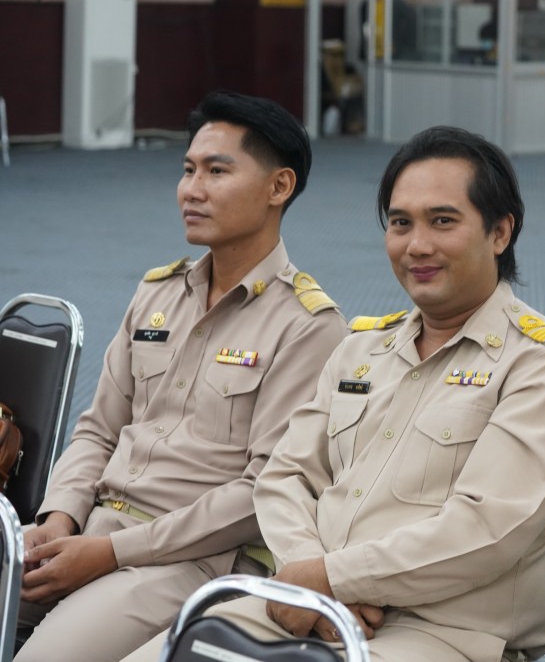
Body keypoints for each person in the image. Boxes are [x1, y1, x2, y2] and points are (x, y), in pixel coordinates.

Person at [125, 125, 545, 662]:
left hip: (442, 634)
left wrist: (332, 578)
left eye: (442, 221)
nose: (416, 245)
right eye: (400, 223)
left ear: (500, 233)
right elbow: (285, 476)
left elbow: (487, 530)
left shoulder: (544, 367)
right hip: (304, 602)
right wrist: (308, 578)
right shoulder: (362, 349)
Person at [15, 90, 348, 661]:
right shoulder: (157, 293)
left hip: (190, 560)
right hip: (91, 528)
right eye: (188, 170)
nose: (192, 189)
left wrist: (111, 552)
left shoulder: (307, 326)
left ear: (279, 187)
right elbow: (98, 429)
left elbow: (260, 493)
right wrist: (59, 516)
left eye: (217, 171)